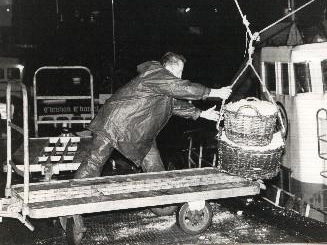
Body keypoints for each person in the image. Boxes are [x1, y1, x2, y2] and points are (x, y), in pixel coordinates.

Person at [74, 52, 231, 179]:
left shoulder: (162, 84)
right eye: (180, 71)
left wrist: (202, 113)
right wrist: (215, 92)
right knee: (94, 162)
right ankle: (73, 201)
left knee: (154, 168)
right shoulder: (157, 74)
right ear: (170, 67)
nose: (181, 76)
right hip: (113, 125)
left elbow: (174, 105)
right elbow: (183, 87)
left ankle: (163, 203)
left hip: (138, 133)